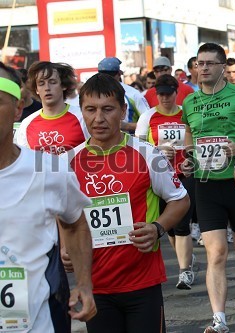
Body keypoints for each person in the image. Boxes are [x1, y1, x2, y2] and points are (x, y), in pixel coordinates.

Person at [65, 73, 190, 333]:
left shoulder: (147, 154)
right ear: (82, 112)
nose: (98, 118)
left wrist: (157, 228)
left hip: (142, 284)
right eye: (90, 109)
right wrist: (66, 247)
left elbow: (180, 200)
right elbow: (62, 214)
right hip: (95, 286)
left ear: (123, 111)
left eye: (107, 109)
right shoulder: (67, 162)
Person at [0, 61, 96, 332]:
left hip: (38, 323)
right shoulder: (29, 126)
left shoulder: (50, 168)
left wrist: (83, 284)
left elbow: (75, 223)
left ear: (18, 106)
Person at [181, 42, 235, 333]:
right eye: (199, 63)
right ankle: (219, 319)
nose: (202, 68)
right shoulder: (190, 102)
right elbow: (190, 133)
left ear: (222, 67)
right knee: (215, 252)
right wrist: (188, 156)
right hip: (206, 185)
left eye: (209, 63)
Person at [135, 74, 197, 290]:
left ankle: (185, 272)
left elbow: (196, 143)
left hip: (183, 175)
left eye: (168, 94)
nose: (163, 98)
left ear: (176, 93)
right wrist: (158, 151)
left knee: (182, 225)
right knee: (169, 228)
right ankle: (185, 258)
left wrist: (191, 161)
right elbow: (138, 148)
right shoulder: (148, 117)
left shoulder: (185, 114)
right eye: (159, 94)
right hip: (159, 178)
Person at [14, 61, 89, 154]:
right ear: (36, 89)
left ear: (64, 85)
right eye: (41, 83)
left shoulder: (83, 118)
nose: (47, 88)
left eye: (52, 82)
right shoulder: (26, 124)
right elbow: (24, 162)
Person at [97, 57, 150, 132]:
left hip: (129, 142)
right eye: (103, 75)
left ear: (119, 74)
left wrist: (127, 126)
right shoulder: (93, 94)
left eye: (111, 75)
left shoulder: (133, 94)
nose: (107, 79)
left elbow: (150, 122)